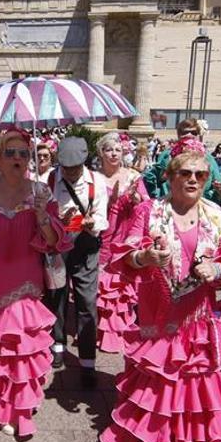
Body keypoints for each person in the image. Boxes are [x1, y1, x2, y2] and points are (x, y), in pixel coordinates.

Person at [99, 136, 221, 442]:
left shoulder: (216, 215)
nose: (193, 179)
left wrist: (218, 268)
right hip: (157, 317)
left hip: (198, 321)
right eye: (185, 173)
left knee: (199, 384)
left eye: (200, 174)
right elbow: (123, 251)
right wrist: (146, 258)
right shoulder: (149, 211)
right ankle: (154, 441)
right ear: (169, 177)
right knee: (157, 385)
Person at [0, 129, 69, 437]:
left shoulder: (41, 193)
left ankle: (20, 406)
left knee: (21, 342)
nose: (17, 159)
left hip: (26, 278)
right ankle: (0, 404)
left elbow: (54, 242)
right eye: (10, 153)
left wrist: (42, 217)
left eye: (23, 153)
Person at [44, 136, 108, 386]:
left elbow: (102, 218)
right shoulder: (50, 179)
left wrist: (92, 224)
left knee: (86, 301)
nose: (69, 172)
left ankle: (87, 361)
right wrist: (55, 216)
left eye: (75, 168)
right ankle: (58, 345)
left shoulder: (97, 182)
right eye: (66, 167)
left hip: (86, 245)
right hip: (58, 245)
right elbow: (42, 213)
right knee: (57, 296)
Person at [92, 133, 146, 355]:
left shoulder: (133, 176)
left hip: (127, 234)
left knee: (123, 284)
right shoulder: (94, 177)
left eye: (117, 149)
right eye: (108, 149)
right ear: (101, 153)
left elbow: (147, 205)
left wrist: (136, 200)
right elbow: (87, 209)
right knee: (104, 284)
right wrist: (110, 202)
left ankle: (121, 331)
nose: (113, 153)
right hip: (102, 235)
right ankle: (101, 332)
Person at [142, 119, 221, 216]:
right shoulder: (167, 155)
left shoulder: (207, 158)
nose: (189, 135)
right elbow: (150, 179)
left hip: (199, 208)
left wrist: (212, 193)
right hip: (169, 207)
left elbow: (217, 184)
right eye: (185, 132)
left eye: (194, 133)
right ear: (178, 134)